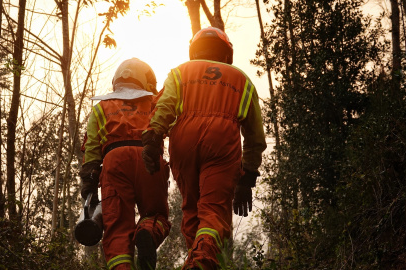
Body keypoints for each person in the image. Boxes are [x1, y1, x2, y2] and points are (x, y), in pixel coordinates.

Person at [141, 27, 267, 269]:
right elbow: (255, 136)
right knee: (214, 210)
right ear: (227, 53)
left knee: (191, 207)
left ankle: (195, 257)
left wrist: (153, 137)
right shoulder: (242, 79)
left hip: (184, 139)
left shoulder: (180, 72)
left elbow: (165, 106)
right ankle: (201, 261)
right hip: (222, 141)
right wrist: (247, 177)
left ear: (195, 51)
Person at [79, 58, 171, 270]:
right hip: (149, 158)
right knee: (156, 214)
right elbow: (171, 123)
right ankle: (147, 230)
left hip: (114, 160)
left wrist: (89, 182)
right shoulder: (155, 102)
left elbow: (92, 147)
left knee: (117, 228)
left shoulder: (102, 107)